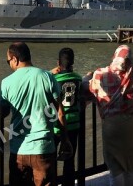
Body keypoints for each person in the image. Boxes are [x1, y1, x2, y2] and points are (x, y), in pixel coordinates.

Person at [0, 42, 65, 186]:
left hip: (18, 149)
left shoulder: (5, 83)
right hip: (44, 148)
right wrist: (64, 139)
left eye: (8, 61)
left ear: (15, 59)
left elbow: (3, 112)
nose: (9, 64)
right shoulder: (47, 76)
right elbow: (60, 112)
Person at [84, 45, 133, 186]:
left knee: (115, 166)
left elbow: (90, 89)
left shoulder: (100, 74)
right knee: (131, 164)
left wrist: (86, 77)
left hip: (112, 126)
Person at [49, 48, 82, 186]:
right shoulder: (78, 78)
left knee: (51, 160)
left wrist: (51, 71)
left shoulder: (53, 79)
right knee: (69, 160)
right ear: (73, 62)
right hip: (74, 124)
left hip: (56, 125)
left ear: (58, 62)